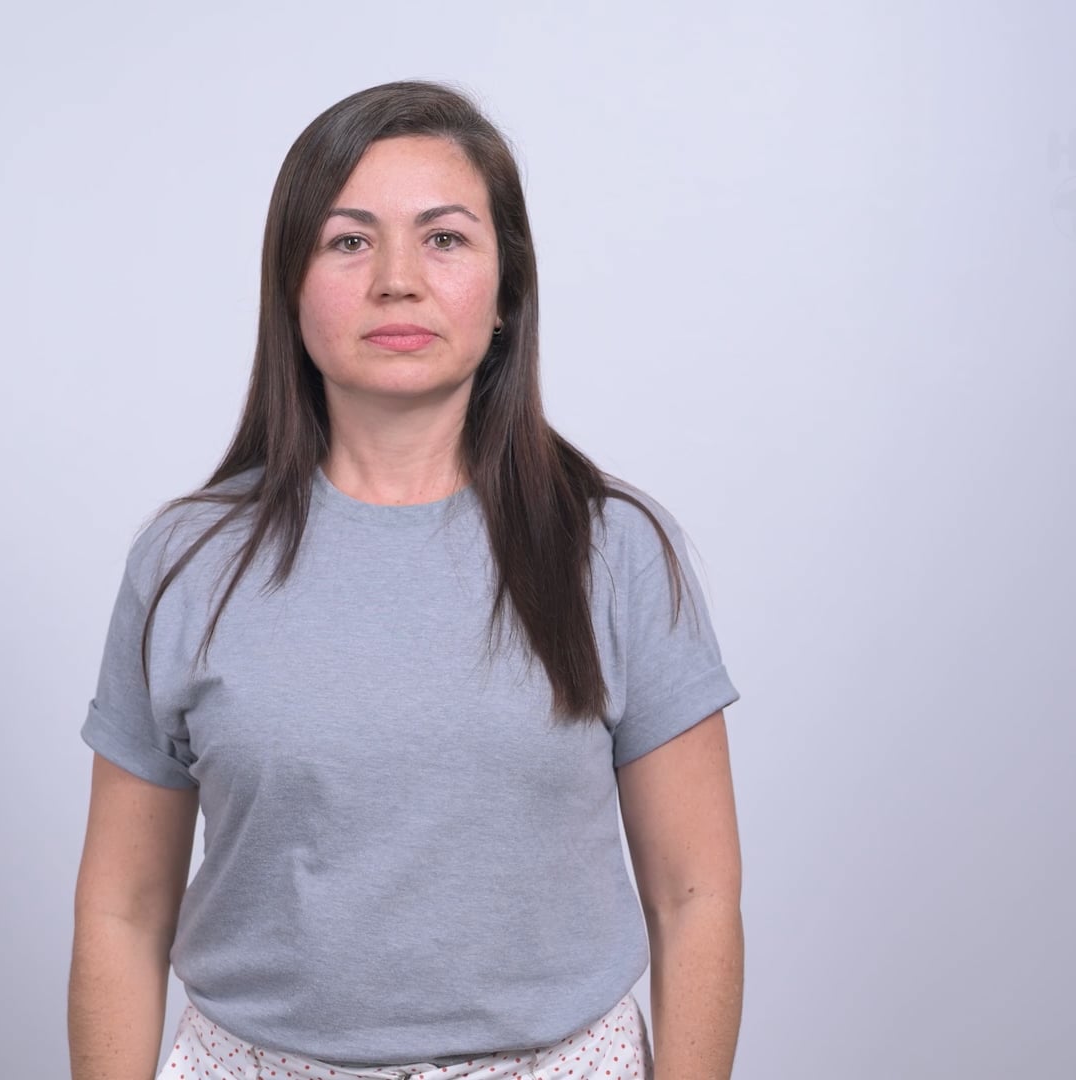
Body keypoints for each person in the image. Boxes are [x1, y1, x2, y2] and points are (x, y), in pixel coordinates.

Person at [69, 80, 745, 1080]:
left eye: (445, 239)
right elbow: (123, 910)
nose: (397, 280)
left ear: (507, 289)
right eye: (349, 241)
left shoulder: (615, 549)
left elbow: (695, 897)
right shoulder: (186, 564)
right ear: (289, 286)